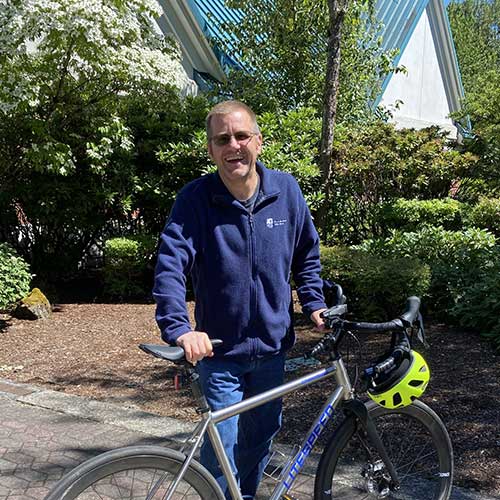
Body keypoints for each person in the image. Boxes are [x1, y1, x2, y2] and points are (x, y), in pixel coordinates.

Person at [153, 100, 326, 499]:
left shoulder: (287, 192)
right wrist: (180, 329)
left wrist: (314, 302)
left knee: (259, 444)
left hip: (271, 350)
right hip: (219, 354)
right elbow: (170, 266)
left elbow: (306, 255)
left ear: (258, 142)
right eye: (222, 139)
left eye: (241, 135)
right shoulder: (195, 200)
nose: (234, 145)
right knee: (221, 458)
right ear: (211, 150)